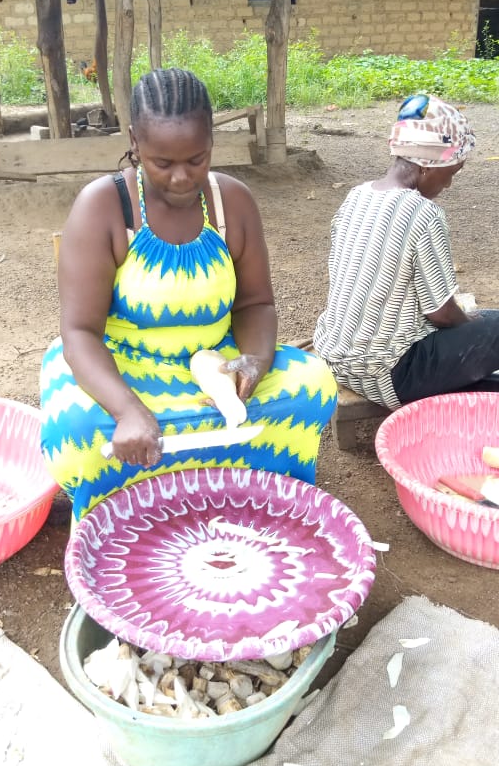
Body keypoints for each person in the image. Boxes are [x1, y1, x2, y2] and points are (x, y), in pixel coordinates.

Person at [41, 67, 337, 522]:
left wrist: (253, 360)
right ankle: (122, 520)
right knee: (78, 427)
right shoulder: (104, 207)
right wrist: (128, 410)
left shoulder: (231, 202)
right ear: (135, 143)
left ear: (211, 144)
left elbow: (256, 302)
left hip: (214, 365)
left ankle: (253, 502)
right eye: (163, 163)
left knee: (311, 385)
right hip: (123, 367)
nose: (182, 177)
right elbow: (79, 332)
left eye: (196, 159)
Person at [313, 92, 499, 409]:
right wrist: (473, 326)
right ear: (426, 167)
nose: (449, 186)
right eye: (450, 173)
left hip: (336, 357)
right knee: (491, 325)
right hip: (386, 372)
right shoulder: (423, 214)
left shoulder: (356, 197)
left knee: (476, 346)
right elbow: (440, 312)